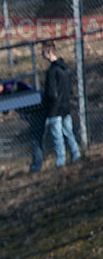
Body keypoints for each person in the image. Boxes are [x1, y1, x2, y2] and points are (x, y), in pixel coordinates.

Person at [0, 80, 46, 172]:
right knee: (36, 139)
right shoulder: (6, 88)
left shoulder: (11, 87)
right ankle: (38, 164)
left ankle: (37, 166)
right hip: (32, 113)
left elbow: (6, 106)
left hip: (37, 111)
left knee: (35, 141)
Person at [42, 40, 81, 168]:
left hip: (55, 109)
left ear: (49, 52)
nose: (42, 55)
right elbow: (70, 89)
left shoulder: (52, 72)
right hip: (66, 106)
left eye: (43, 52)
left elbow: (51, 93)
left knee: (58, 138)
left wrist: (47, 106)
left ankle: (60, 162)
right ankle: (76, 155)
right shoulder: (65, 68)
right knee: (69, 133)